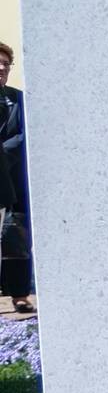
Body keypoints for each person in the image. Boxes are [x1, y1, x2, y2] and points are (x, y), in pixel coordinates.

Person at [0, 43, 28, 313]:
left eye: (6, 64)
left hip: (11, 182)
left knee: (14, 237)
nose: (2, 68)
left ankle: (19, 295)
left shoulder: (19, 99)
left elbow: (25, 134)